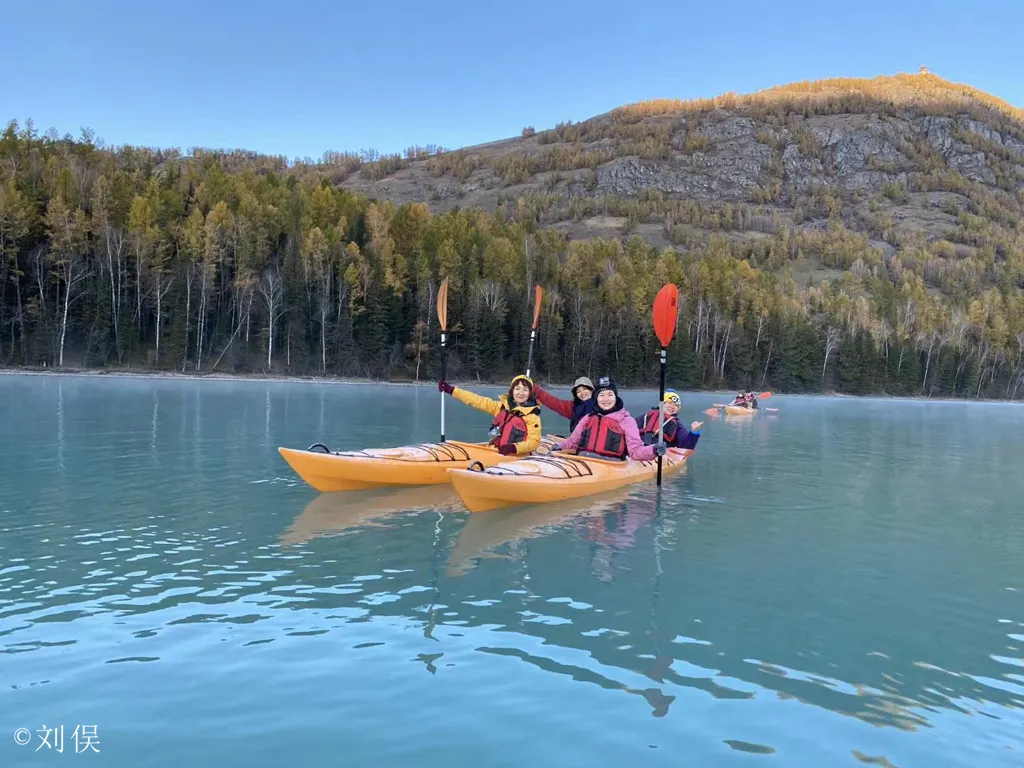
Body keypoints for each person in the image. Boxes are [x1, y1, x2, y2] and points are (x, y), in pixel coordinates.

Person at [546, 376, 664, 461]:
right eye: (601, 395)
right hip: (583, 460)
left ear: (615, 397)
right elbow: (573, 442)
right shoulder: (588, 418)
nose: (605, 399)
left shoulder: (626, 421)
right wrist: (560, 446)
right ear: (596, 398)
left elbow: (635, 452)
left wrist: (653, 450)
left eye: (610, 394)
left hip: (609, 465)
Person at [438, 375, 542, 456]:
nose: (521, 393)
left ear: (530, 393)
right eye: (517, 388)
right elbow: (476, 400)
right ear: (512, 391)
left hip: (516, 456)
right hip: (494, 450)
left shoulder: (532, 416)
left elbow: (534, 442)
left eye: (525, 390)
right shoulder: (501, 407)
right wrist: (451, 390)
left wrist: (514, 448)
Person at [636, 389, 703, 450]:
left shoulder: (677, 426)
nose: (672, 406)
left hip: (660, 453)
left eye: (676, 405)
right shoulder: (646, 416)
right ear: (661, 404)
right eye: (669, 403)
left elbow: (686, 447)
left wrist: (694, 432)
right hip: (639, 448)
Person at [532, 376, 597, 435]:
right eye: (578, 391)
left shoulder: (600, 406)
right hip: (578, 443)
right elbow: (554, 403)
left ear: (591, 389)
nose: (582, 393)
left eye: (585, 389)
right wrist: (537, 392)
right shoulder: (573, 407)